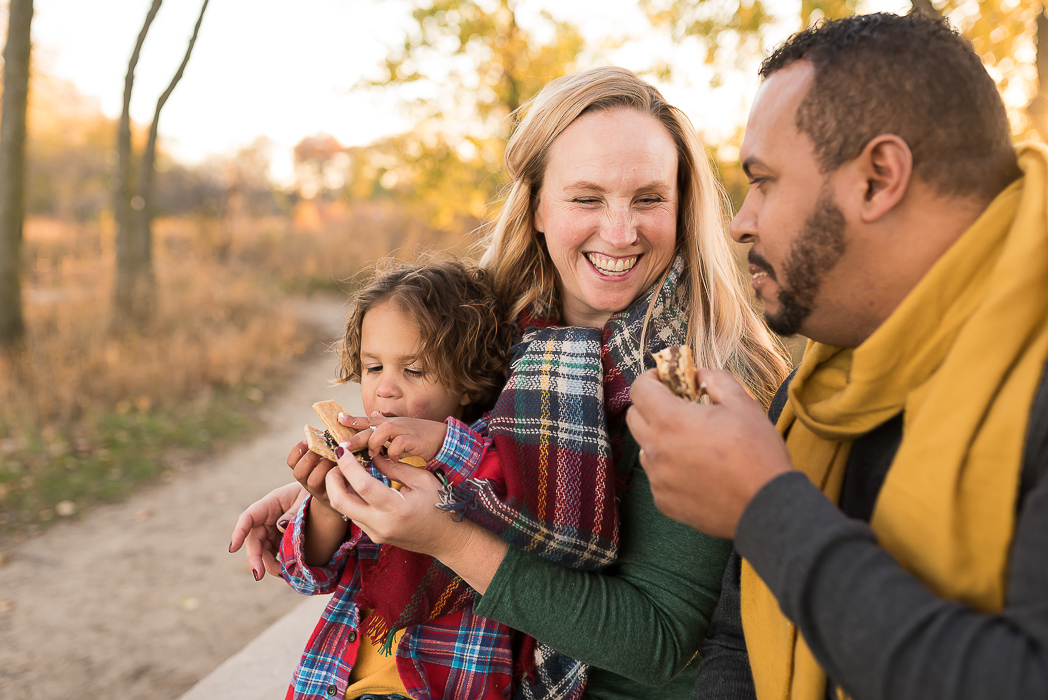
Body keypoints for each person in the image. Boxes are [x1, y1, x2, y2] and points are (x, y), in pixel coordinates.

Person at [231, 66, 791, 700]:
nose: (619, 231)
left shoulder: (704, 375)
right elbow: (466, 448)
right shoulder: (493, 331)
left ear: (683, 205)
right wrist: (344, 479)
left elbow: (657, 642)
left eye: (648, 198)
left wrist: (445, 538)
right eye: (586, 198)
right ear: (538, 208)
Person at [627, 11, 1048, 700]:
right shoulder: (822, 385)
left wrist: (763, 507)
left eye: (763, 181)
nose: (740, 222)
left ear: (879, 178)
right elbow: (738, 642)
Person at [278, 258, 517, 700]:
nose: (386, 389)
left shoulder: (487, 455)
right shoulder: (362, 463)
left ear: (467, 382)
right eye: (373, 368)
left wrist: (439, 443)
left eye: (413, 370)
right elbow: (305, 577)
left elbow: (503, 497)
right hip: (337, 684)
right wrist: (328, 505)